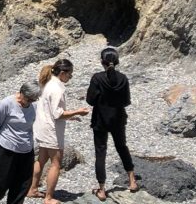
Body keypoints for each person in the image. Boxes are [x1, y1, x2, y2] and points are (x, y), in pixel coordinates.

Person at [27, 58, 89, 204]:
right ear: (62, 73)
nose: (70, 77)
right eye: (70, 74)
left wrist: (70, 117)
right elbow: (57, 113)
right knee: (56, 164)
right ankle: (48, 198)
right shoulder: (58, 88)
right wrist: (77, 112)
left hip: (41, 127)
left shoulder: (47, 83)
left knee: (41, 160)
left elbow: (50, 111)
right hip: (51, 131)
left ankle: (32, 189)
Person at [86, 47, 137, 200]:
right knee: (122, 147)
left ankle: (102, 190)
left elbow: (90, 100)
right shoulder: (123, 78)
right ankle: (132, 181)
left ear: (102, 62)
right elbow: (126, 101)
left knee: (100, 153)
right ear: (117, 61)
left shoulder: (97, 78)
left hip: (100, 119)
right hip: (118, 119)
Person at [0, 82, 41, 204]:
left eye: (34, 99)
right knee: (1, 182)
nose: (31, 102)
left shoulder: (33, 106)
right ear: (22, 93)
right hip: (6, 149)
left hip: (26, 151)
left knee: (22, 184)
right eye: (29, 99)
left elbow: (31, 125)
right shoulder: (6, 104)